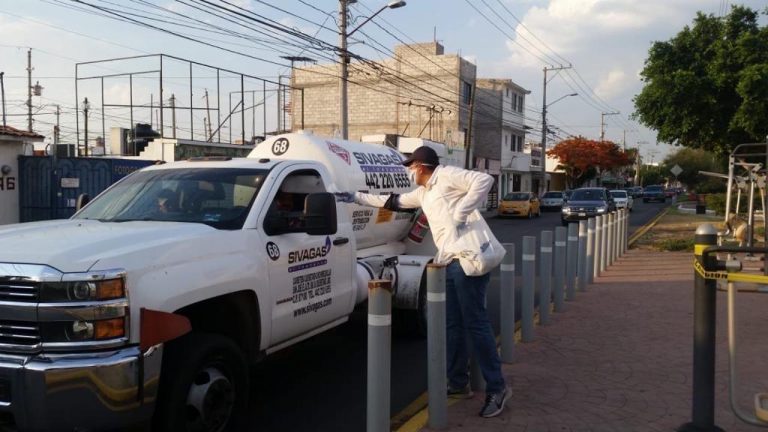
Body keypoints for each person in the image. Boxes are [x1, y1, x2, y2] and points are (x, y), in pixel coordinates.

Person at [335, 146, 510, 418]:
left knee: (476, 324)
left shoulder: (446, 175)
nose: (409, 172)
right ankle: (458, 382)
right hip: (449, 261)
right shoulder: (424, 192)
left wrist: (460, 213)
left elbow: (484, 180)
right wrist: (354, 197)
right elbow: (392, 201)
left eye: (411, 166)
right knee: (452, 325)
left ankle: (497, 388)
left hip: (468, 261)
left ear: (422, 166)